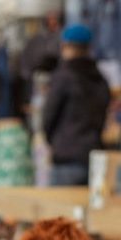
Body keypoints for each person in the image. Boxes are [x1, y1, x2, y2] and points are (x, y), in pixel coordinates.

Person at [43, 24, 111, 187]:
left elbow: (48, 116)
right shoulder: (100, 79)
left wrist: (52, 142)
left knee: (60, 210)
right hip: (93, 157)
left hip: (66, 157)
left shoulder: (64, 76)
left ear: (65, 46)